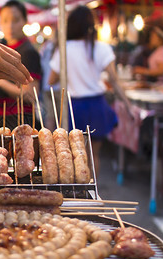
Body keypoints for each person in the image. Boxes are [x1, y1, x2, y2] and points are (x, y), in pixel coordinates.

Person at [49, 5, 133, 176]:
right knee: (93, 155)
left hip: (74, 107)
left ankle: (78, 194)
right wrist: (128, 104)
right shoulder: (101, 48)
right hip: (96, 106)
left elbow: (52, 80)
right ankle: (94, 192)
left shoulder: (64, 49)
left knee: (74, 154)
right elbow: (114, 80)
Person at [0, 0, 41, 131]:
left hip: (20, 120)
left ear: (25, 21)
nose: (10, 26)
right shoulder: (0, 47)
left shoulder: (29, 52)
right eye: (5, 21)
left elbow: (30, 95)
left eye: (15, 20)